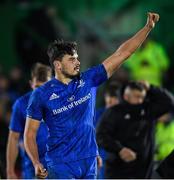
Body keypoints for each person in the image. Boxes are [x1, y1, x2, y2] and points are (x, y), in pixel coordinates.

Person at [24, 12, 159, 179]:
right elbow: (29, 133)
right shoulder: (41, 95)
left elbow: (122, 54)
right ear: (58, 65)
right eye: (72, 59)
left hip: (89, 163)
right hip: (61, 165)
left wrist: (147, 29)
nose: (78, 62)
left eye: (77, 58)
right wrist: (36, 162)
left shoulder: (89, 79)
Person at [96, 81, 174, 178]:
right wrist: (120, 149)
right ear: (126, 97)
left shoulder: (148, 111)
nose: (140, 100)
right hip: (117, 171)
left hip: (143, 173)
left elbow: (169, 102)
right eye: (137, 97)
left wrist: (151, 88)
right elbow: (101, 136)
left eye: (142, 97)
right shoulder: (113, 112)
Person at [6, 63, 52, 178]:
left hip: (59, 164)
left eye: (44, 87)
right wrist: (10, 171)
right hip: (32, 168)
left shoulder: (61, 101)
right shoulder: (21, 105)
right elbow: (13, 138)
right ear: (31, 84)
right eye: (37, 87)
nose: (40, 93)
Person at [95, 84, 120, 178]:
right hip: (102, 159)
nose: (110, 105)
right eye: (109, 102)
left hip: (120, 160)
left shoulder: (126, 116)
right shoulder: (97, 115)